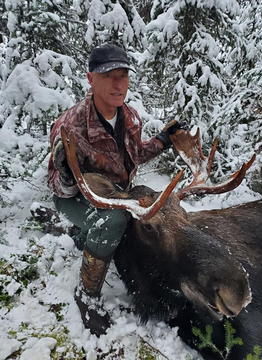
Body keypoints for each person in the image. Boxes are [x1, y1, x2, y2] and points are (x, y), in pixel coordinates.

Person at [47, 43, 188, 336]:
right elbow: (59, 190)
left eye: (123, 75)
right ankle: (87, 294)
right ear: (90, 78)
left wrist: (163, 139)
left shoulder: (130, 117)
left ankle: (83, 237)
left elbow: (134, 154)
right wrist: (67, 176)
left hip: (115, 193)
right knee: (112, 221)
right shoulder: (70, 125)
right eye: (108, 74)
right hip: (77, 199)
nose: (117, 83)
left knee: (152, 202)